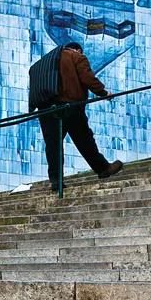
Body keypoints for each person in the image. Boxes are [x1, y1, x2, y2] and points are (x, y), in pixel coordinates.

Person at [30, 42, 123, 191]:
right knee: (84, 140)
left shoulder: (45, 61)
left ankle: (56, 181)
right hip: (70, 105)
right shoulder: (77, 56)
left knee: (53, 144)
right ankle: (103, 168)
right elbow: (87, 78)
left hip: (46, 108)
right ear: (78, 49)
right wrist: (104, 93)